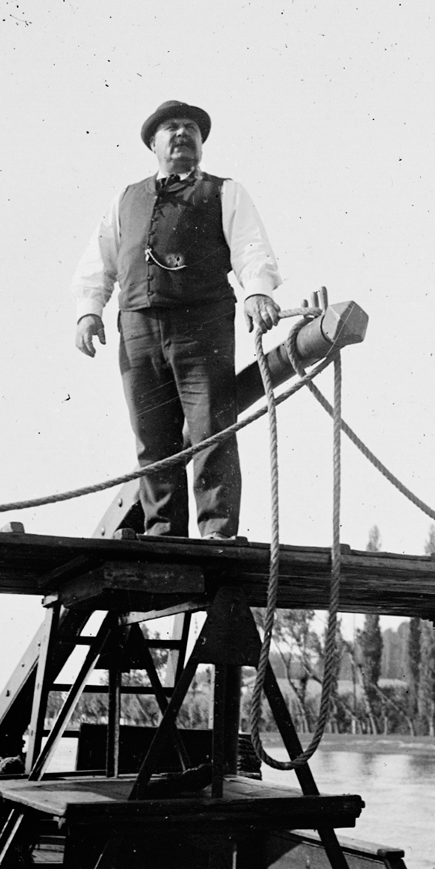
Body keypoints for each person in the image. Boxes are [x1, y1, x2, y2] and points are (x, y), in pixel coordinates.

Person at [71, 100, 282, 540]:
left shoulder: (225, 192)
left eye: (191, 128)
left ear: (202, 142)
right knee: (153, 441)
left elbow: (249, 247)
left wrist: (257, 290)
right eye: (171, 127)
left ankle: (217, 533)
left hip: (202, 328)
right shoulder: (125, 199)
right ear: (153, 142)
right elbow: (100, 259)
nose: (182, 133)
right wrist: (89, 311)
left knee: (211, 432)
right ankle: (163, 534)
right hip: (138, 330)